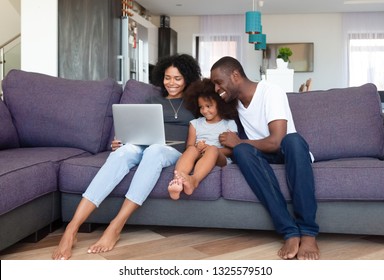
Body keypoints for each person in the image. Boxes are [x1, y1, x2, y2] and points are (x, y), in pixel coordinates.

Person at [52, 54, 201, 260]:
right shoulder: (152, 100)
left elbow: (208, 125)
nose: (171, 83)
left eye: (177, 78)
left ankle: (116, 225)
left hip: (169, 149)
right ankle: (71, 229)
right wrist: (121, 140)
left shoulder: (195, 103)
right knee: (122, 153)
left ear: (187, 78)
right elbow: (135, 126)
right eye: (167, 77)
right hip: (143, 143)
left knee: (154, 151)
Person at [210, 56, 320, 260]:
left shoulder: (271, 91)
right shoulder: (233, 104)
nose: (217, 88)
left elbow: (277, 141)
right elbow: (205, 109)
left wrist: (239, 142)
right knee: (242, 152)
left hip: (289, 152)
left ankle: (308, 233)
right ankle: (290, 231)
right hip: (262, 156)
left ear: (235, 75)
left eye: (218, 82)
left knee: (293, 140)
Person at [168, 78, 238, 200]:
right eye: (201, 107)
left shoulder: (229, 124)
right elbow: (189, 147)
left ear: (220, 104)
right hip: (199, 154)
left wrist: (211, 149)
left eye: (208, 106)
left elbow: (231, 150)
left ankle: (194, 180)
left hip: (219, 157)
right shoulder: (195, 123)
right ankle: (178, 181)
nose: (204, 110)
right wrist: (197, 147)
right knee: (190, 151)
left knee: (212, 150)